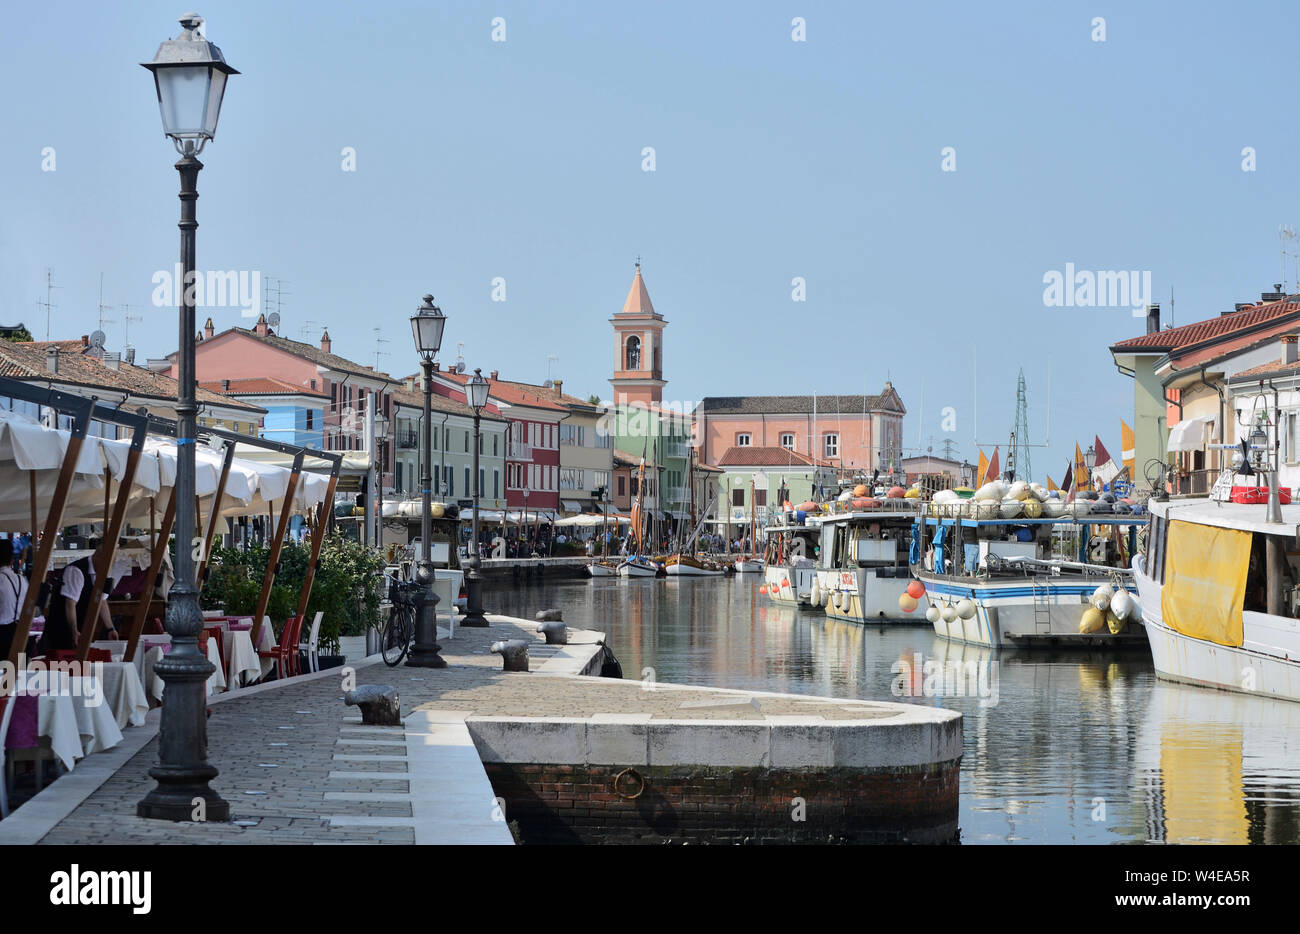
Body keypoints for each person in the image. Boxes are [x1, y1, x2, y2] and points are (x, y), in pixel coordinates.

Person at [41, 539, 119, 654]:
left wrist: (110, 628)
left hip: (80, 628)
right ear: (97, 557)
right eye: (106, 565)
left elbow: (101, 601)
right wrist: (74, 630)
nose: (107, 569)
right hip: (62, 629)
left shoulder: (101, 573)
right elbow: (70, 603)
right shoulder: (76, 571)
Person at [0, 539, 29, 660]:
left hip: (2, 635)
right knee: (17, 674)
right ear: (11, 560)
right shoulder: (21, 579)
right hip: (19, 633)